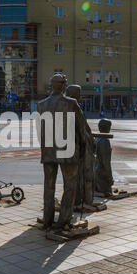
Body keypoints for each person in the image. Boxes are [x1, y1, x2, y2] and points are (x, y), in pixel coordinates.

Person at [37, 73, 91, 230]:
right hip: (67, 151)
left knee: (49, 186)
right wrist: (83, 149)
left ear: (51, 85)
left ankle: (47, 220)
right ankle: (63, 220)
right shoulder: (71, 103)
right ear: (63, 86)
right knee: (69, 186)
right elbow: (81, 129)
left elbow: (40, 131)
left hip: (48, 152)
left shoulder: (41, 105)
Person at [65, 85, 95, 208]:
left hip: (71, 148)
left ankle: (77, 199)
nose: (81, 96)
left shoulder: (68, 107)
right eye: (79, 93)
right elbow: (82, 130)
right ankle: (77, 200)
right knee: (77, 177)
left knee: (74, 178)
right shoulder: (73, 108)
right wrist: (88, 143)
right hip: (76, 149)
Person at [94, 119, 114, 197]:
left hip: (96, 170)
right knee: (107, 193)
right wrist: (110, 178)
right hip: (102, 173)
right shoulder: (105, 140)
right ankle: (101, 192)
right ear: (108, 128)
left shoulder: (97, 138)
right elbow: (106, 162)